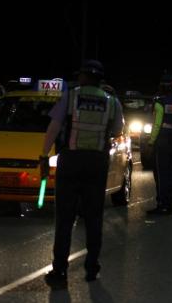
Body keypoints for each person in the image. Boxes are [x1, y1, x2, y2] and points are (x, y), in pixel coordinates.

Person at [39, 59, 124, 287]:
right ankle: (92, 268)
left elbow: (54, 127)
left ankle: (60, 272)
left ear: (84, 77)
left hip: (71, 161)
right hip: (97, 163)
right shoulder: (112, 102)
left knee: (65, 220)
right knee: (94, 218)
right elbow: (117, 130)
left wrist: (43, 155)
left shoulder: (71, 97)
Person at [146, 73, 172, 215]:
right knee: (171, 173)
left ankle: (162, 204)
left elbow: (157, 125)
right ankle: (170, 204)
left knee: (161, 174)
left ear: (161, 86)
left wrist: (151, 142)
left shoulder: (160, 103)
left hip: (162, 142)